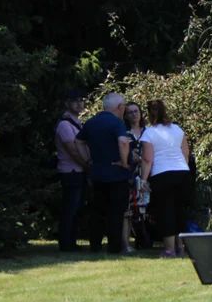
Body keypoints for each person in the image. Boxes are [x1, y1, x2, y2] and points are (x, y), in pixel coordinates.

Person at [75, 92, 131, 254]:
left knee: (97, 210)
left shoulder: (91, 122)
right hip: (117, 174)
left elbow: (78, 141)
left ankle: (95, 245)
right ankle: (114, 248)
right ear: (119, 107)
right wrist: (124, 162)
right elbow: (123, 142)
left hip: (97, 173)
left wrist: (88, 161)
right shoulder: (117, 123)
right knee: (116, 212)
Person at [140, 100, 191, 258]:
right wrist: (182, 168)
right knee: (178, 211)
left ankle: (169, 250)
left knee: (166, 212)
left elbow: (148, 159)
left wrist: (143, 179)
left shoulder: (148, 132)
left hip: (162, 174)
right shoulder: (177, 129)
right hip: (182, 172)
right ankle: (180, 247)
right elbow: (186, 153)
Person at [55, 90, 87, 252]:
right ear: (67, 103)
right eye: (75, 101)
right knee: (70, 209)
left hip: (78, 171)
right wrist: (88, 164)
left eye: (81, 100)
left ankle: (71, 242)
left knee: (76, 209)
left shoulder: (76, 122)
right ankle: (66, 244)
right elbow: (73, 151)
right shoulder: (65, 124)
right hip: (71, 172)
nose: (79, 104)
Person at [122, 102, 147, 253]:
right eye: (130, 112)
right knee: (128, 210)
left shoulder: (149, 132)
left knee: (143, 209)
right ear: (125, 115)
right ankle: (126, 244)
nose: (134, 114)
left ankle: (143, 241)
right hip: (129, 175)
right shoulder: (124, 133)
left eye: (136, 111)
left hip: (146, 175)